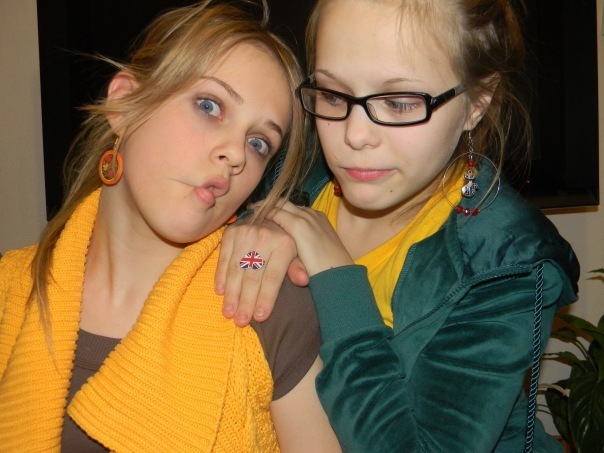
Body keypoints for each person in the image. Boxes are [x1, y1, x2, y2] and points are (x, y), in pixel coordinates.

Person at [215, 0, 580, 451]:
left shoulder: (503, 266)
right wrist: (256, 234)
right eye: (333, 95)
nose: (354, 135)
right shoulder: (288, 164)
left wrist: (337, 281)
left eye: (400, 103)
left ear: (476, 102)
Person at [0, 1, 342, 451]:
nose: (235, 155)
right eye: (209, 106)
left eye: (259, 142)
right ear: (123, 103)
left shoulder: (266, 304)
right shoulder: (9, 291)